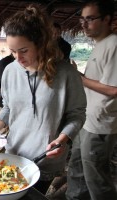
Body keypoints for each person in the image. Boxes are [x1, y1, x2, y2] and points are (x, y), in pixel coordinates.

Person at [0, 4, 86, 194]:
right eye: (13, 51)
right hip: (14, 154)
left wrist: (63, 139)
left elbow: (77, 115)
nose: (18, 58)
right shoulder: (9, 71)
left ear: (40, 42)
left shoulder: (65, 74)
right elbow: (8, 107)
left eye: (23, 50)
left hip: (45, 158)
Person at [66, 1, 117, 199]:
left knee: (97, 180)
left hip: (101, 125)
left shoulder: (113, 44)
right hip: (88, 121)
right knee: (77, 171)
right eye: (82, 19)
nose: (84, 24)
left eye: (90, 19)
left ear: (107, 19)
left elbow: (113, 90)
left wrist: (80, 78)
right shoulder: (100, 45)